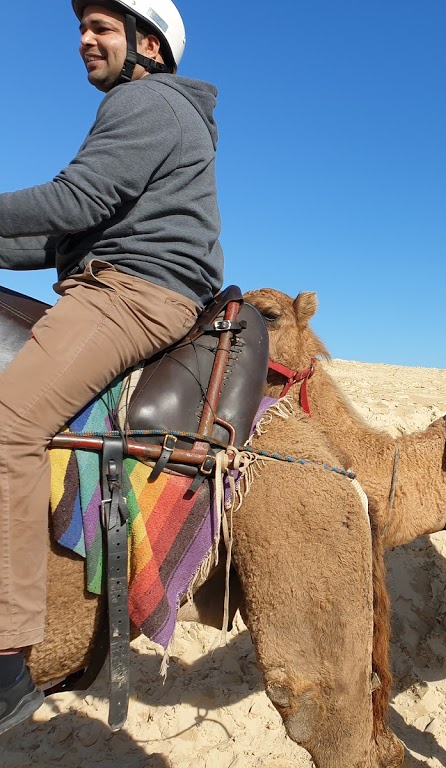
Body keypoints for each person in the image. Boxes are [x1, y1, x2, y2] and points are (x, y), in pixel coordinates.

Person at [0, 0, 223, 734]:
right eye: (81, 28)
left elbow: (73, 199)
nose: (83, 40)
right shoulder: (154, 108)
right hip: (113, 276)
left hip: (132, 294)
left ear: (148, 44)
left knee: (9, 424)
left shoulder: (146, 100)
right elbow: (66, 236)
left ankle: (7, 658)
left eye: (101, 27)